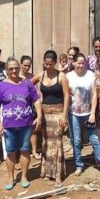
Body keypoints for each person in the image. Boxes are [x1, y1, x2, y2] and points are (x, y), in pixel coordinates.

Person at [0, 57, 42, 190]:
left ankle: (24, 176)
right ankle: (11, 178)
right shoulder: (1, 86)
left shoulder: (27, 83)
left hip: (26, 124)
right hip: (9, 126)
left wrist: (40, 116)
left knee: (25, 150)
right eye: (11, 68)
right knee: (10, 152)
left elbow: (36, 100)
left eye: (16, 68)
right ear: (6, 70)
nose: (14, 71)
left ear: (19, 68)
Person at [66, 53, 100, 177]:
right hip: (74, 113)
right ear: (73, 63)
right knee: (76, 141)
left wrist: (92, 113)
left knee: (94, 140)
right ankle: (79, 165)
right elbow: (66, 95)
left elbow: (94, 95)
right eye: (78, 63)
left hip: (88, 113)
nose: (81, 65)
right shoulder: (68, 76)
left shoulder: (90, 75)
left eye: (83, 63)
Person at [34, 50, 69, 187]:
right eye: (45, 63)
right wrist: (35, 99)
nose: (47, 66)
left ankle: (58, 175)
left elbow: (67, 96)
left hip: (58, 112)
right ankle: (47, 172)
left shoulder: (61, 76)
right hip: (44, 113)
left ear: (55, 63)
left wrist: (64, 116)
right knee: (46, 142)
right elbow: (27, 86)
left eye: (50, 64)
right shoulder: (40, 75)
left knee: (57, 143)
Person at [20, 55, 40, 160]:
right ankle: (21, 153)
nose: (27, 68)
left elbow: (37, 91)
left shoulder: (32, 77)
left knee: (33, 129)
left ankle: (34, 151)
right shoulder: (17, 77)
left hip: (31, 105)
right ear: (20, 64)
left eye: (29, 66)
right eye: (25, 66)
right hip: (20, 106)